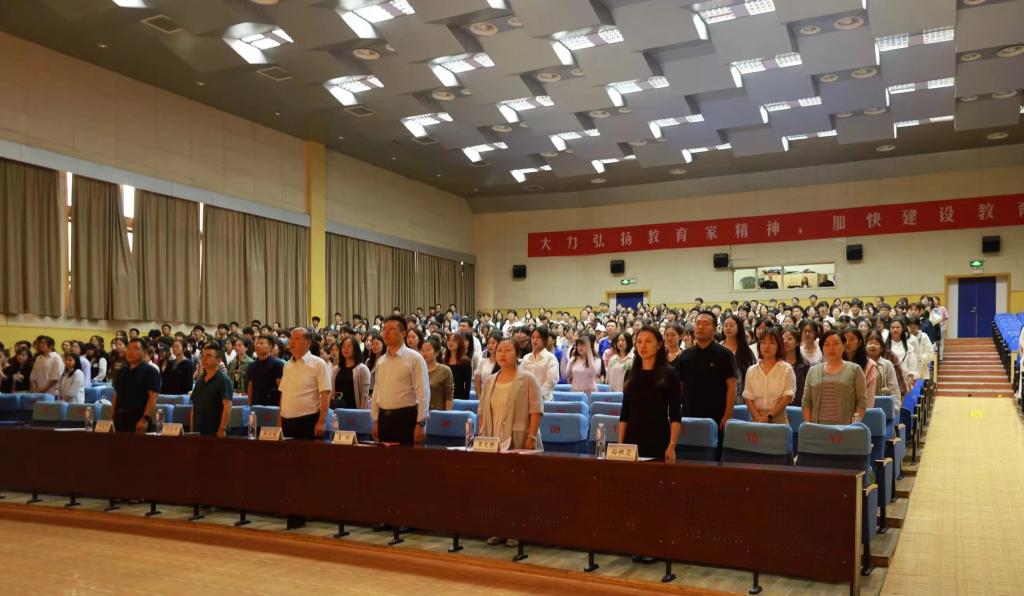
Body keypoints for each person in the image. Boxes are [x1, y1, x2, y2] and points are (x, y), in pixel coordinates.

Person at [618, 326, 682, 461]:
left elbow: (675, 414)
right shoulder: (630, 374)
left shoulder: (669, 374)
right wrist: (620, 443)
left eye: (648, 341)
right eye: (639, 341)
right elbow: (625, 412)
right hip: (631, 438)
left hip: (658, 438)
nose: (643, 346)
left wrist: (672, 445)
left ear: (659, 345)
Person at [677, 311, 737, 437]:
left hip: (716, 417)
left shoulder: (725, 355)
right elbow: (679, 387)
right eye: (697, 323)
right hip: (689, 416)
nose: (700, 327)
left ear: (714, 329)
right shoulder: (685, 356)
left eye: (705, 324)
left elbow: (732, 387)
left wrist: (727, 416)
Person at [372, 315, 430, 446]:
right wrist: (375, 420)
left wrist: (421, 423)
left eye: (391, 329)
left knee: (406, 457)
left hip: (406, 418)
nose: (386, 332)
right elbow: (377, 392)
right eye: (384, 329)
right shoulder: (381, 361)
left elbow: (423, 393)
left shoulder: (414, 358)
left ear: (403, 333)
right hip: (383, 418)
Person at [478, 337, 543, 452]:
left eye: (508, 350)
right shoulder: (489, 381)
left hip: (519, 439)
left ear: (517, 355)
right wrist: (482, 436)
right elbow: (482, 412)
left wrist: (531, 437)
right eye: (499, 350)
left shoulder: (528, 379)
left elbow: (536, 411)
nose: (502, 354)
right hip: (492, 440)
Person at [277, 328, 332, 440]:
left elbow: (325, 394)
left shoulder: (318, 364)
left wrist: (322, 421)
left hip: (308, 421)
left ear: (308, 343)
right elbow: (283, 394)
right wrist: (279, 420)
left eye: (297, 339)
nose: (292, 342)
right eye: (291, 338)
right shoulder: (287, 365)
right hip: (286, 422)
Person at [803, 330, 867, 425]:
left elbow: (861, 401)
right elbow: (806, 401)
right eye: (827, 344)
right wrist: (809, 424)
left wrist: (854, 425)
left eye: (836, 344)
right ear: (822, 348)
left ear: (844, 346)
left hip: (845, 427)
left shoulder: (855, 369)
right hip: (817, 427)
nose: (831, 348)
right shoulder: (813, 370)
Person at [742, 327, 795, 424]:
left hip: (778, 420)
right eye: (763, 342)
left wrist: (769, 416)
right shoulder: (751, 370)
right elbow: (748, 397)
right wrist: (758, 418)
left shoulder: (786, 369)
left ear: (779, 346)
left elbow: (787, 397)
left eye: (772, 343)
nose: (767, 346)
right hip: (756, 419)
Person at [111, 338, 161, 433]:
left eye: (136, 349)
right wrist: (112, 418)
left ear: (144, 352)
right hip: (120, 418)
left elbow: (153, 397)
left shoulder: (151, 372)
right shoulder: (122, 372)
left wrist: (145, 418)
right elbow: (115, 395)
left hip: (139, 419)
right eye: (129, 349)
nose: (131, 352)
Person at [190, 343, 233, 437]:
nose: (204, 359)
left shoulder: (224, 380)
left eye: (209, 356)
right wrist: (192, 430)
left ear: (219, 360)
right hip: (199, 432)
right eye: (203, 356)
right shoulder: (200, 381)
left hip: (216, 432)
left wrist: (222, 429)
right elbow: (194, 407)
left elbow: (227, 406)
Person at [720, 315, 756, 402]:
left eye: (731, 325)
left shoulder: (746, 351)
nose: (728, 328)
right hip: (721, 395)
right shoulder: (718, 349)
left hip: (742, 397)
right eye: (725, 325)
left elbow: (753, 377)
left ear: (739, 327)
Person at [520, 326, 559, 401]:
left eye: (538, 338)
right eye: (533, 337)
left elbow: (551, 381)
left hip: (544, 399)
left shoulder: (551, 358)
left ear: (545, 339)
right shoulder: (526, 358)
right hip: (526, 398)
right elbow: (521, 377)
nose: (535, 340)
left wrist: (538, 395)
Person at [331, 336, 370, 409]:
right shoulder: (336, 369)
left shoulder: (362, 369)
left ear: (355, 349)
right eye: (343, 346)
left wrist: (362, 412)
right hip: (338, 410)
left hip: (355, 410)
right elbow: (332, 391)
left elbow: (364, 395)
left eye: (349, 346)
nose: (346, 349)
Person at [842, 327, 877, 408]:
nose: (847, 343)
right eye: (844, 339)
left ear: (860, 342)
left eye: (852, 339)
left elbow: (869, 397)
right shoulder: (835, 362)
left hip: (861, 410)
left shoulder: (869, 365)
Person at [247, 335, 284, 407]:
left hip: (272, 405)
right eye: (256, 343)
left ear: (270, 347)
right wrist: (249, 406)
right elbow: (250, 387)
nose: (258, 345)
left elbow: (281, 388)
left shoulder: (277, 365)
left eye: (261, 343)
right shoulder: (252, 365)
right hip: (256, 404)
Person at [865, 332, 901, 398]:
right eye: (870, 343)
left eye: (876, 344)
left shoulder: (887, 364)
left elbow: (894, 387)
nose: (873, 346)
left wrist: (896, 404)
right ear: (865, 347)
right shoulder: (861, 363)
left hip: (883, 400)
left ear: (881, 349)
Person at [422, 336, 454, 411]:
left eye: (428, 350)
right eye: (422, 350)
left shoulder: (445, 370)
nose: (424, 353)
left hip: (438, 412)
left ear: (436, 353)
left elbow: (449, 396)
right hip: (420, 412)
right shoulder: (418, 369)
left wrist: (447, 414)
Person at [781, 327, 810, 407]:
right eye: (783, 339)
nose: (785, 341)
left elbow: (806, 390)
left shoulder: (805, 365)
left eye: (789, 339)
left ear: (797, 343)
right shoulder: (775, 362)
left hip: (797, 406)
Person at [886, 316, 919, 387]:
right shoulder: (884, 346)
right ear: (889, 329)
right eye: (893, 327)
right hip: (887, 380)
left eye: (898, 327)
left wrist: (910, 377)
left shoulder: (909, 347)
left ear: (903, 329)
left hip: (904, 380)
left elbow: (912, 364)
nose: (895, 329)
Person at [444, 332, 473, 401]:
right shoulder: (444, 360)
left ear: (459, 343)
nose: (450, 343)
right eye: (449, 340)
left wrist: (465, 400)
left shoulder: (465, 361)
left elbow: (468, 384)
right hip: (444, 396)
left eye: (454, 341)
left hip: (460, 397)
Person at [474, 331, 502, 398]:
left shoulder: (503, 363)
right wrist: (480, 398)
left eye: (493, 343)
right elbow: (477, 383)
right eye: (488, 343)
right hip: (484, 396)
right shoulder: (483, 362)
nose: (490, 345)